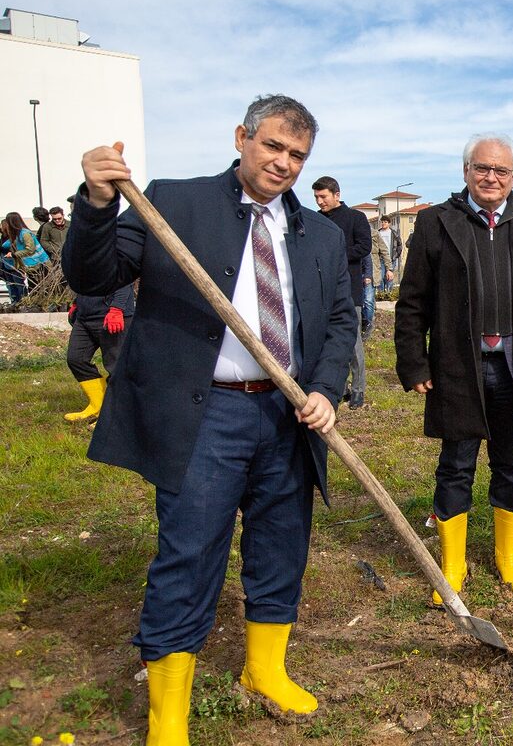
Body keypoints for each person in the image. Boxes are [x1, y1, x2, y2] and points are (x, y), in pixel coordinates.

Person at [62, 94, 357, 743]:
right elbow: (92, 272)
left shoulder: (323, 236)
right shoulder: (173, 202)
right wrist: (95, 203)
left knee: (282, 544)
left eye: (297, 155)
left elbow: (339, 323)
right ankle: (169, 717)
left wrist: (328, 389)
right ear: (242, 138)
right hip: (205, 412)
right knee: (190, 552)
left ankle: (264, 670)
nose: (284, 162)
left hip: (289, 414)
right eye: (273, 146)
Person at [394, 133, 513, 604]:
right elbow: (412, 301)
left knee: (512, 460)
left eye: (502, 171)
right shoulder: (436, 222)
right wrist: (413, 361)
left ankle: (506, 556)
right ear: (466, 170)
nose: (491, 177)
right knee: (456, 463)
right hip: (458, 365)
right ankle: (452, 564)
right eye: (482, 168)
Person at [313, 176, 372, 409]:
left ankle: (358, 389)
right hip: (322, 292)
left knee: (353, 341)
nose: (319, 201)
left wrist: (334, 256)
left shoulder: (356, 218)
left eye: (323, 197)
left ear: (336, 195)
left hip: (350, 291)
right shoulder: (315, 221)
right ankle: (337, 386)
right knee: (325, 343)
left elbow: (364, 247)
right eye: (316, 197)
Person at [63, 283, 135, 421]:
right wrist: (77, 303)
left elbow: (125, 281)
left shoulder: (116, 259)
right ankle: (98, 405)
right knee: (76, 359)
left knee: (115, 368)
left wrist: (116, 309)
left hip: (112, 315)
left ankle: (117, 415)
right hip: (85, 317)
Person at [2, 212, 51, 301]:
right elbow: (5, 245)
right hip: (30, 266)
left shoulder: (25, 234)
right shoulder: (16, 235)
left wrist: (13, 254)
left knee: (40, 289)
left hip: (40, 264)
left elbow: (30, 250)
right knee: (33, 289)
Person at [361, 222, 390, 340]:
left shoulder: (375, 235)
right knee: (361, 301)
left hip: (372, 272)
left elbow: (384, 251)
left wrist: (389, 269)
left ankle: (368, 325)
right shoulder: (355, 235)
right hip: (357, 272)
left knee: (368, 300)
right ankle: (363, 322)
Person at [377, 214, 401, 291]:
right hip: (380, 259)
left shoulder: (394, 233)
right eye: (382, 222)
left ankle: (389, 293)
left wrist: (396, 256)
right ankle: (381, 293)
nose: (383, 223)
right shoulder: (377, 233)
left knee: (389, 277)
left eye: (385, 222)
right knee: (380, 277)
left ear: (389, 223)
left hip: (391, 258)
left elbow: (399, 245)